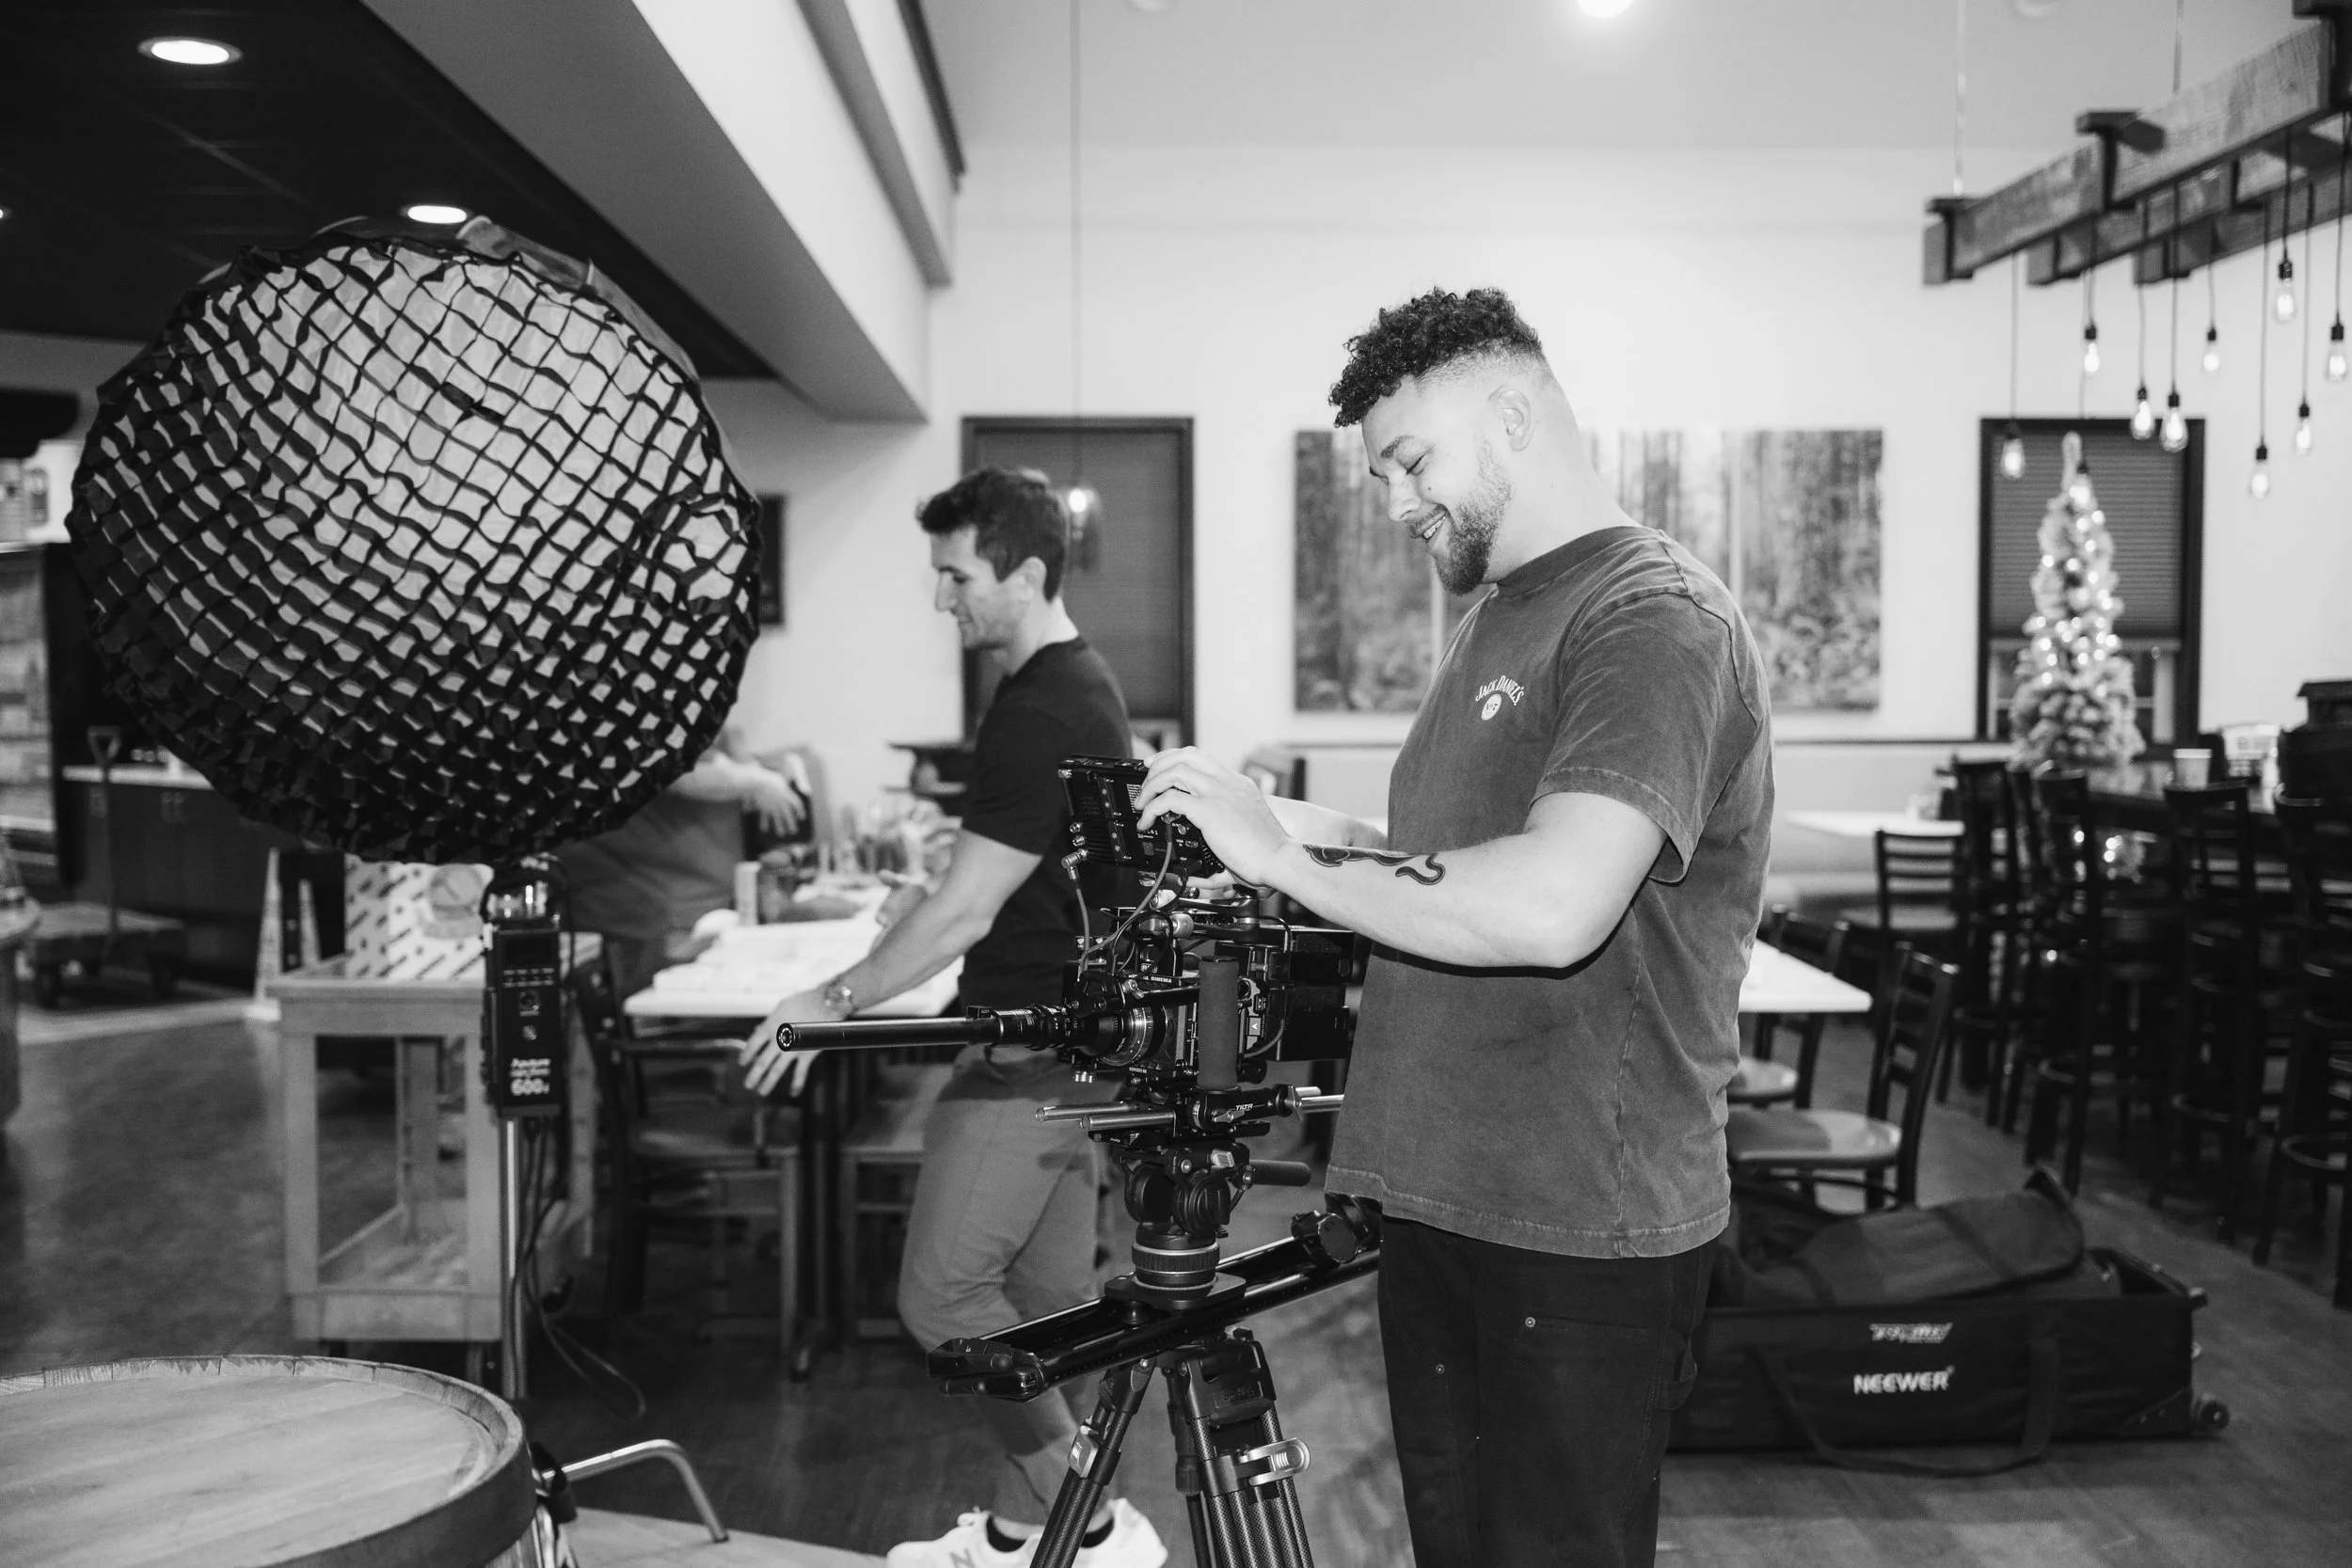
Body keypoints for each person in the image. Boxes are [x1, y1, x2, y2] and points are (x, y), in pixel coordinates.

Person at [1135, 287, 1770, 1568]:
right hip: (1453, 1197)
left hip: (1580, 1222)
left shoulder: (1653, 620)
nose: (1393, 502)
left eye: (1409, 462)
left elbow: (1547, 901)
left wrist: (1280, 859)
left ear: (1514, 413)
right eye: (1375, 476)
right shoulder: (1501, 611)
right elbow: (1446, 866)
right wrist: (1275, 824)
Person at [739, 467, 1165, 1568]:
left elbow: (970, 907)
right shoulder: (1073, 687)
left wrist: (828, 1000)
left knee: (938, 1301)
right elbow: (1009, 879)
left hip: (1032, 1060)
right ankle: (1032, 1530)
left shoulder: (1043, 705)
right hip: (1078, 1056)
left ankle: (1094, 1522)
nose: (942, 598)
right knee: (1036, 1300)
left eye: (955, 573)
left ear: (1024, 573)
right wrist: (934, 896)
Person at [560, 736, 808, 999]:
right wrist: (756, 781)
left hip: (697, 911)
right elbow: (676, 774)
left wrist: (751, 765)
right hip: (657, 916)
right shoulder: (642, 725)